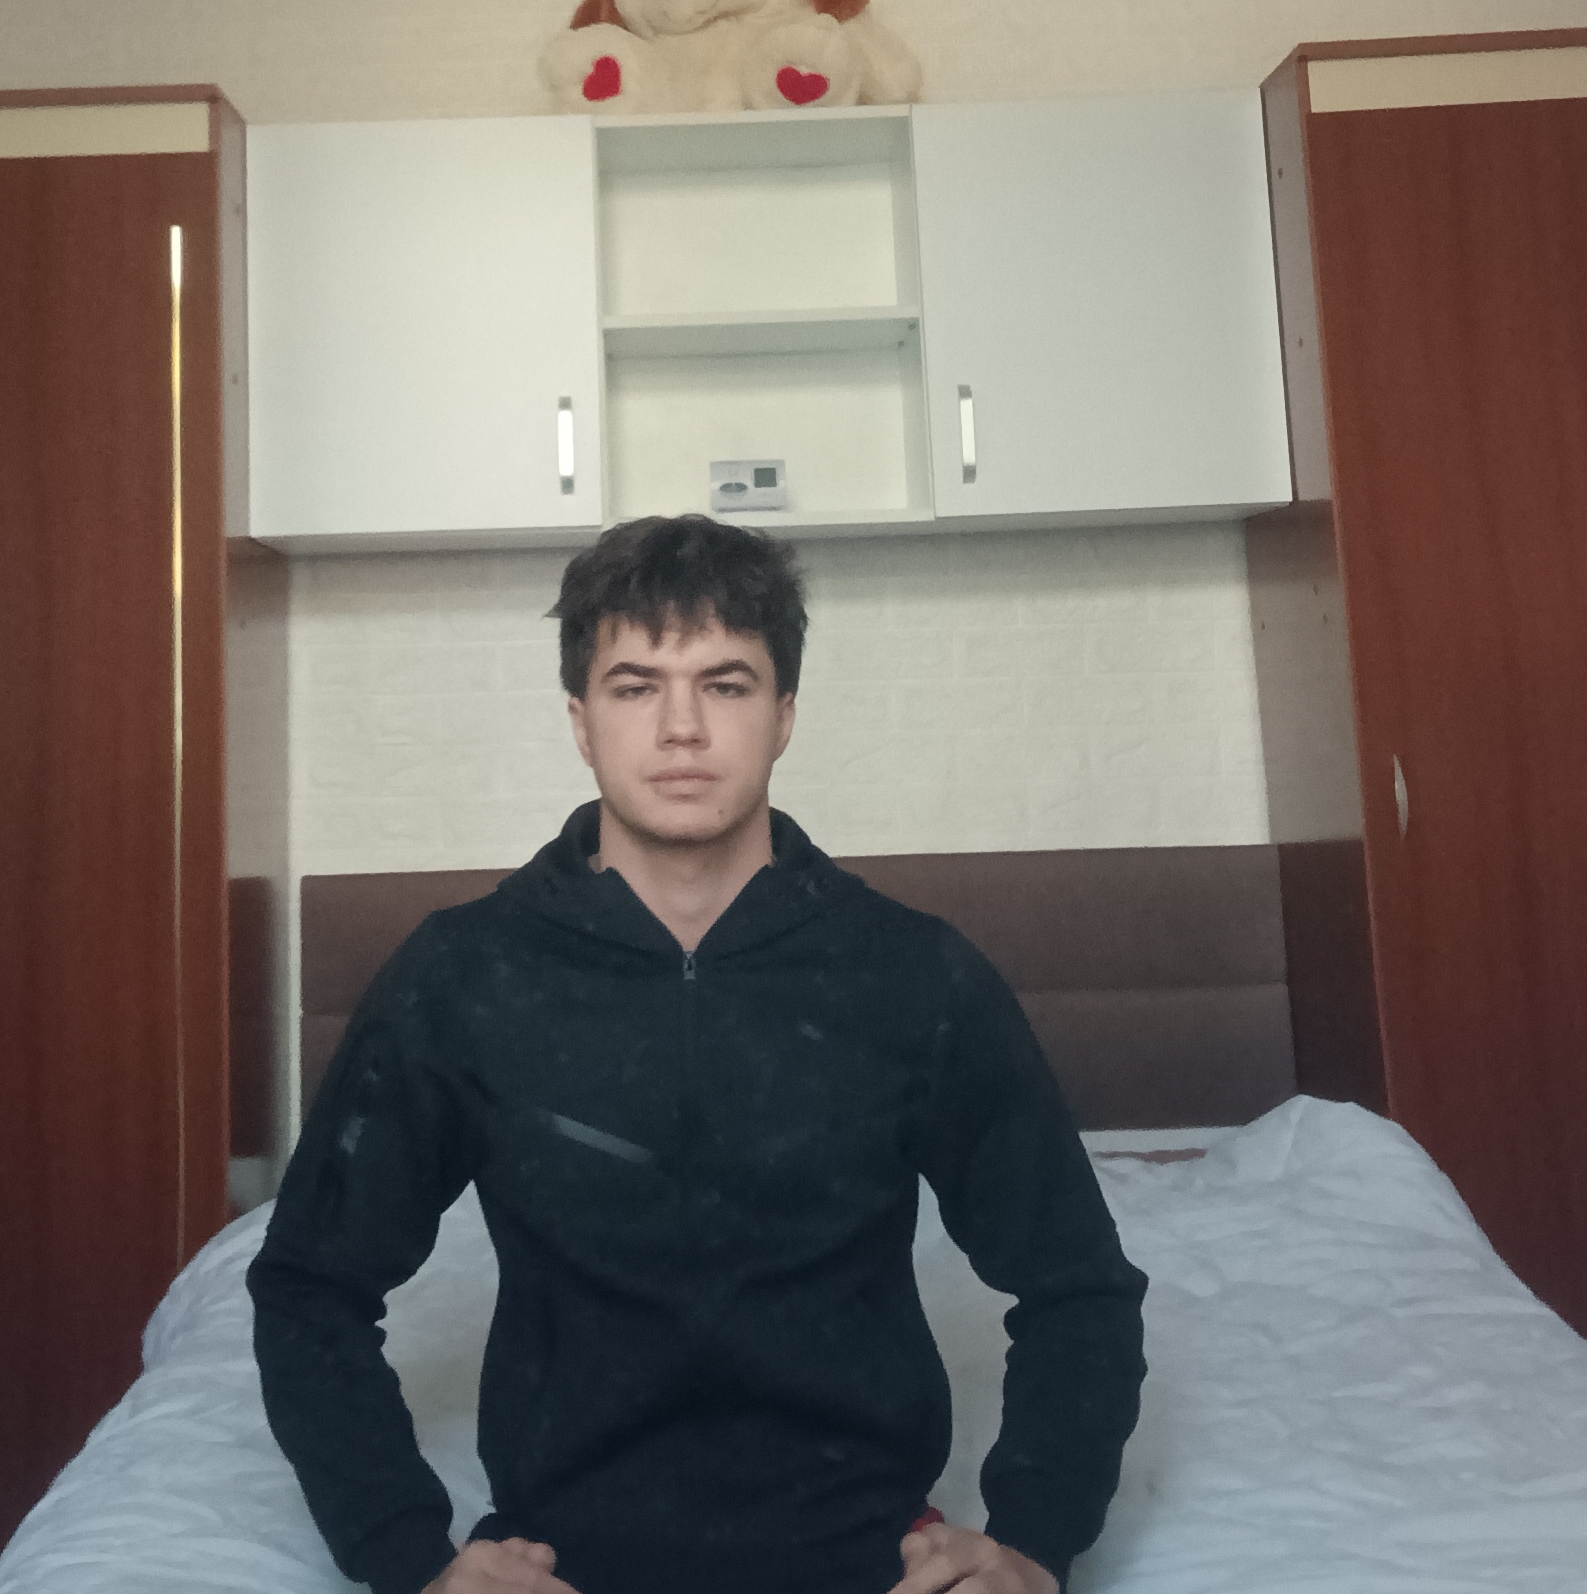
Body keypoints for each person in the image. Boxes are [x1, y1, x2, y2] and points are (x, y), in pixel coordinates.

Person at [250, 515, 1146, 1594]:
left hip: (869, 1561)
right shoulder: (463, 976)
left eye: (725, 684)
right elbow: (309, 1288)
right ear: (581, 723)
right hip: (563, 1564)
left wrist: (1035, 1545)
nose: (681, 728)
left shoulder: (914, 974)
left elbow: (1077, 1285)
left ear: (784, 715)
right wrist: (409, 1559)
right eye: (636, 686)